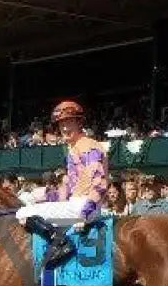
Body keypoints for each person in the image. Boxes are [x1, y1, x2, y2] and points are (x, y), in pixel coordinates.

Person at [16, 101, 109, 267]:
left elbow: (100, 183)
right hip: (78, 203)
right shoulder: (74, 148)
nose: (64, 128)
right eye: (61, 124)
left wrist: (87, 211)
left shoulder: (88, 146)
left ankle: (61, 244)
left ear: (79, 122)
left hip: (85, 206)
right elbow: (72, 189)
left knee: (23, 213)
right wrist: (46, 196)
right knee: (29, 203)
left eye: (69, 122)